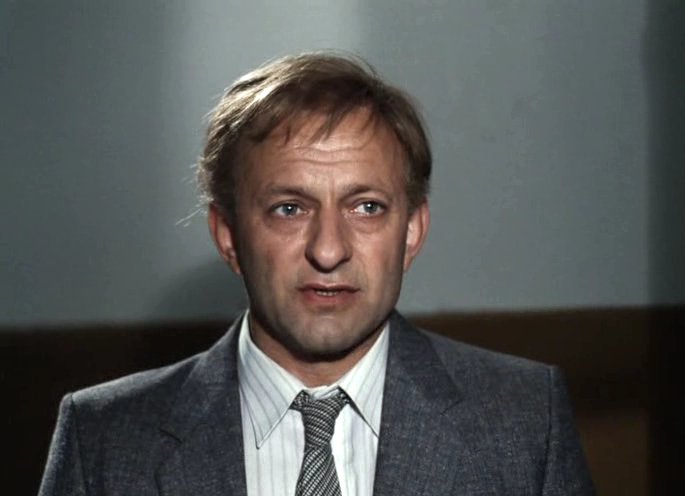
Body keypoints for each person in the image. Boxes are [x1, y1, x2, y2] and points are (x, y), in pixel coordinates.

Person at [39, 52, 596, 495]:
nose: (329, 250)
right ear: (229, 235)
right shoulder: (104, 440)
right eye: (290, 208)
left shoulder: (525, 422)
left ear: (412, 232)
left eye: (367, 207)